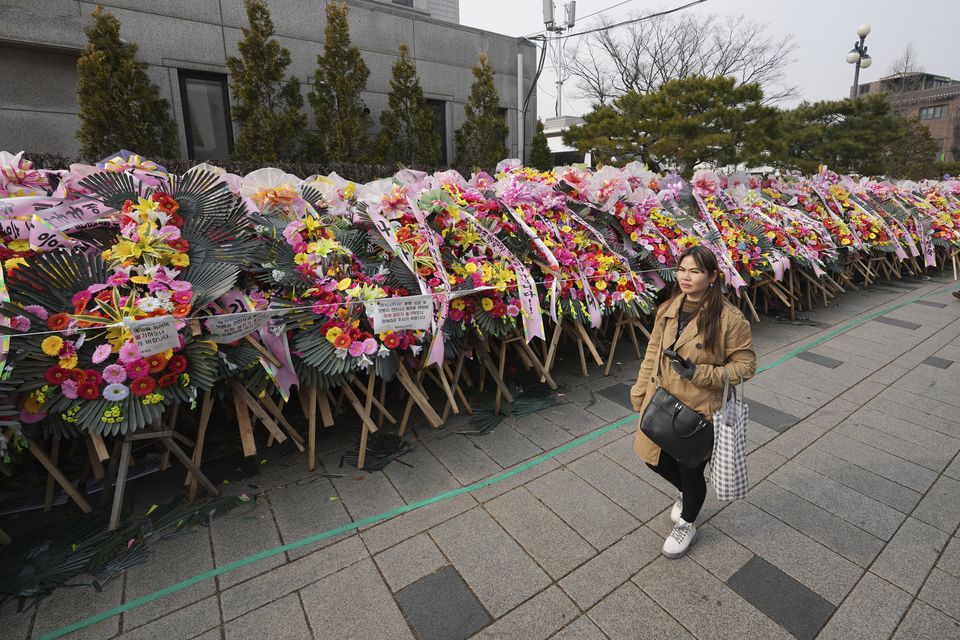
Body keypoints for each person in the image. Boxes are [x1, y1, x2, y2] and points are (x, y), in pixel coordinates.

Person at [630, 245, 757, 558]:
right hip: (661, 399)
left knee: (690, 470)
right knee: (651, 457)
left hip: (700, 409)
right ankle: (685, 495)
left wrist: (700, 372)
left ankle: (688, 522)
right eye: (682, 269)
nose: (686, 277)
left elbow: (746, 366)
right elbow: (653, 353)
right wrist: (640, 388)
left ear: (712, 276)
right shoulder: (670, 308)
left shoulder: (730, 318)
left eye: (696, 271)